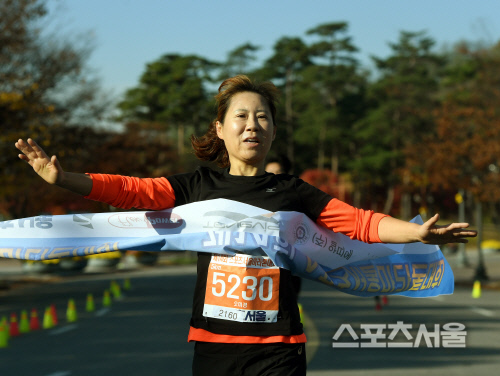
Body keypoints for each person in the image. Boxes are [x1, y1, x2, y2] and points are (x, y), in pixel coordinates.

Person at [15, 75, 476, 376]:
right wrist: (64, 179)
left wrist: (415, 233)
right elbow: (133, 191)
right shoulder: (196, 185)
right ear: (220, 129)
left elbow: (359, 223)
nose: (252, 124)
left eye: (262, 117)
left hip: (278, 346)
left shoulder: (295, 192)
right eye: (241, 116)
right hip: (213, 345)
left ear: (273, 130)